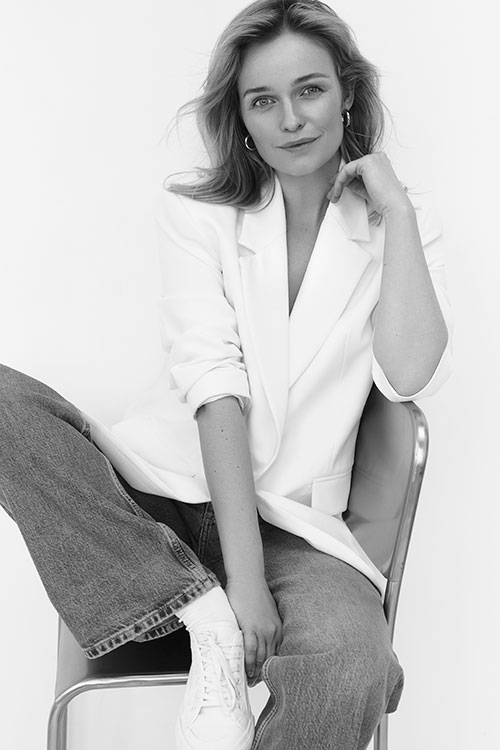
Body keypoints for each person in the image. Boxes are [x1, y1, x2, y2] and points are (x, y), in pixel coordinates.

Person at [0, 1, 453, 748]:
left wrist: (397, 212)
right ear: (241, 118)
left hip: (296, 528)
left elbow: (408, 376)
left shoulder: (397, 229)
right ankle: (197, 611)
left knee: (351, 667)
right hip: (164, 502)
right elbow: (216, 392)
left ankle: (194, 600)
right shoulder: (196, 211)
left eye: (310, 90)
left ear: (346, 92)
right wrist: (237, 592)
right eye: (263, 101)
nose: (291, 119)